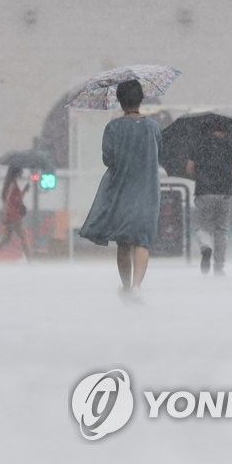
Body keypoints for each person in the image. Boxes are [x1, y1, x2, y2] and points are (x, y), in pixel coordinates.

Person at [78, 79, 161, 303]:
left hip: (121, 190)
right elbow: (157, 153)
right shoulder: (152, 127)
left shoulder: (112, 128)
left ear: (119, 101)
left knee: (124, 241)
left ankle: (125, 286)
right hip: (147, 190)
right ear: (141, 99)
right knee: (142, 240)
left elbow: (108, 159)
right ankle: (136, 287)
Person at [186, 121, 232, 275]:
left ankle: (206, 247)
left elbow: (189, 169)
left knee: (202, 227)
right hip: (224, 193)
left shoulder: (198, 146)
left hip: (203, 192)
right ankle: (219, 267)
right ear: (225, 131)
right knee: (222, 231)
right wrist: (229, 178)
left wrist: (201, 176)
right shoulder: (229, 146)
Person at [0, 165, 32, 261]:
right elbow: (7, 201)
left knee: (5, 239)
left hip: (11, 215)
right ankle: (30, 261)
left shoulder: (10, 184)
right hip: (14, 216)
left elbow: (16, 200)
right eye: (20, 172)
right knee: (24, 236)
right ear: (17, 173)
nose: (22, 174)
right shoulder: (12, 185)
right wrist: (4, 213)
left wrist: (24, 191)